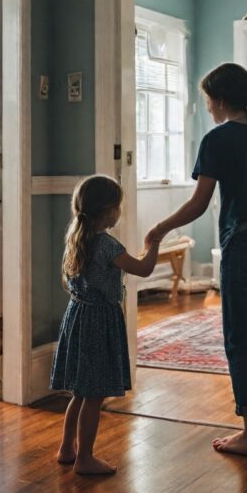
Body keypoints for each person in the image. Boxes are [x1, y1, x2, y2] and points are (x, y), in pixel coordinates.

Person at [145, 63, 247, 457]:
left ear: (219, 100)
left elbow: (200, 204)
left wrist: (159, 230)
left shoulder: (218, 140)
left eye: (207, 100)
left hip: (246, 246)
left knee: (240, 341)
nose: (208, 108)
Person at [51, 175, 161, 474]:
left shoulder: (77, 237)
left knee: (81, 391)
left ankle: (66, 448)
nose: (119, 211)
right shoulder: (107, 245)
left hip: (78, 316)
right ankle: (85, 458)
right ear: (108, 210)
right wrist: (154, 243)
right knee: (95, 393)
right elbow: (144, 269)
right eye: (118, 206)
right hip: (99, 320)